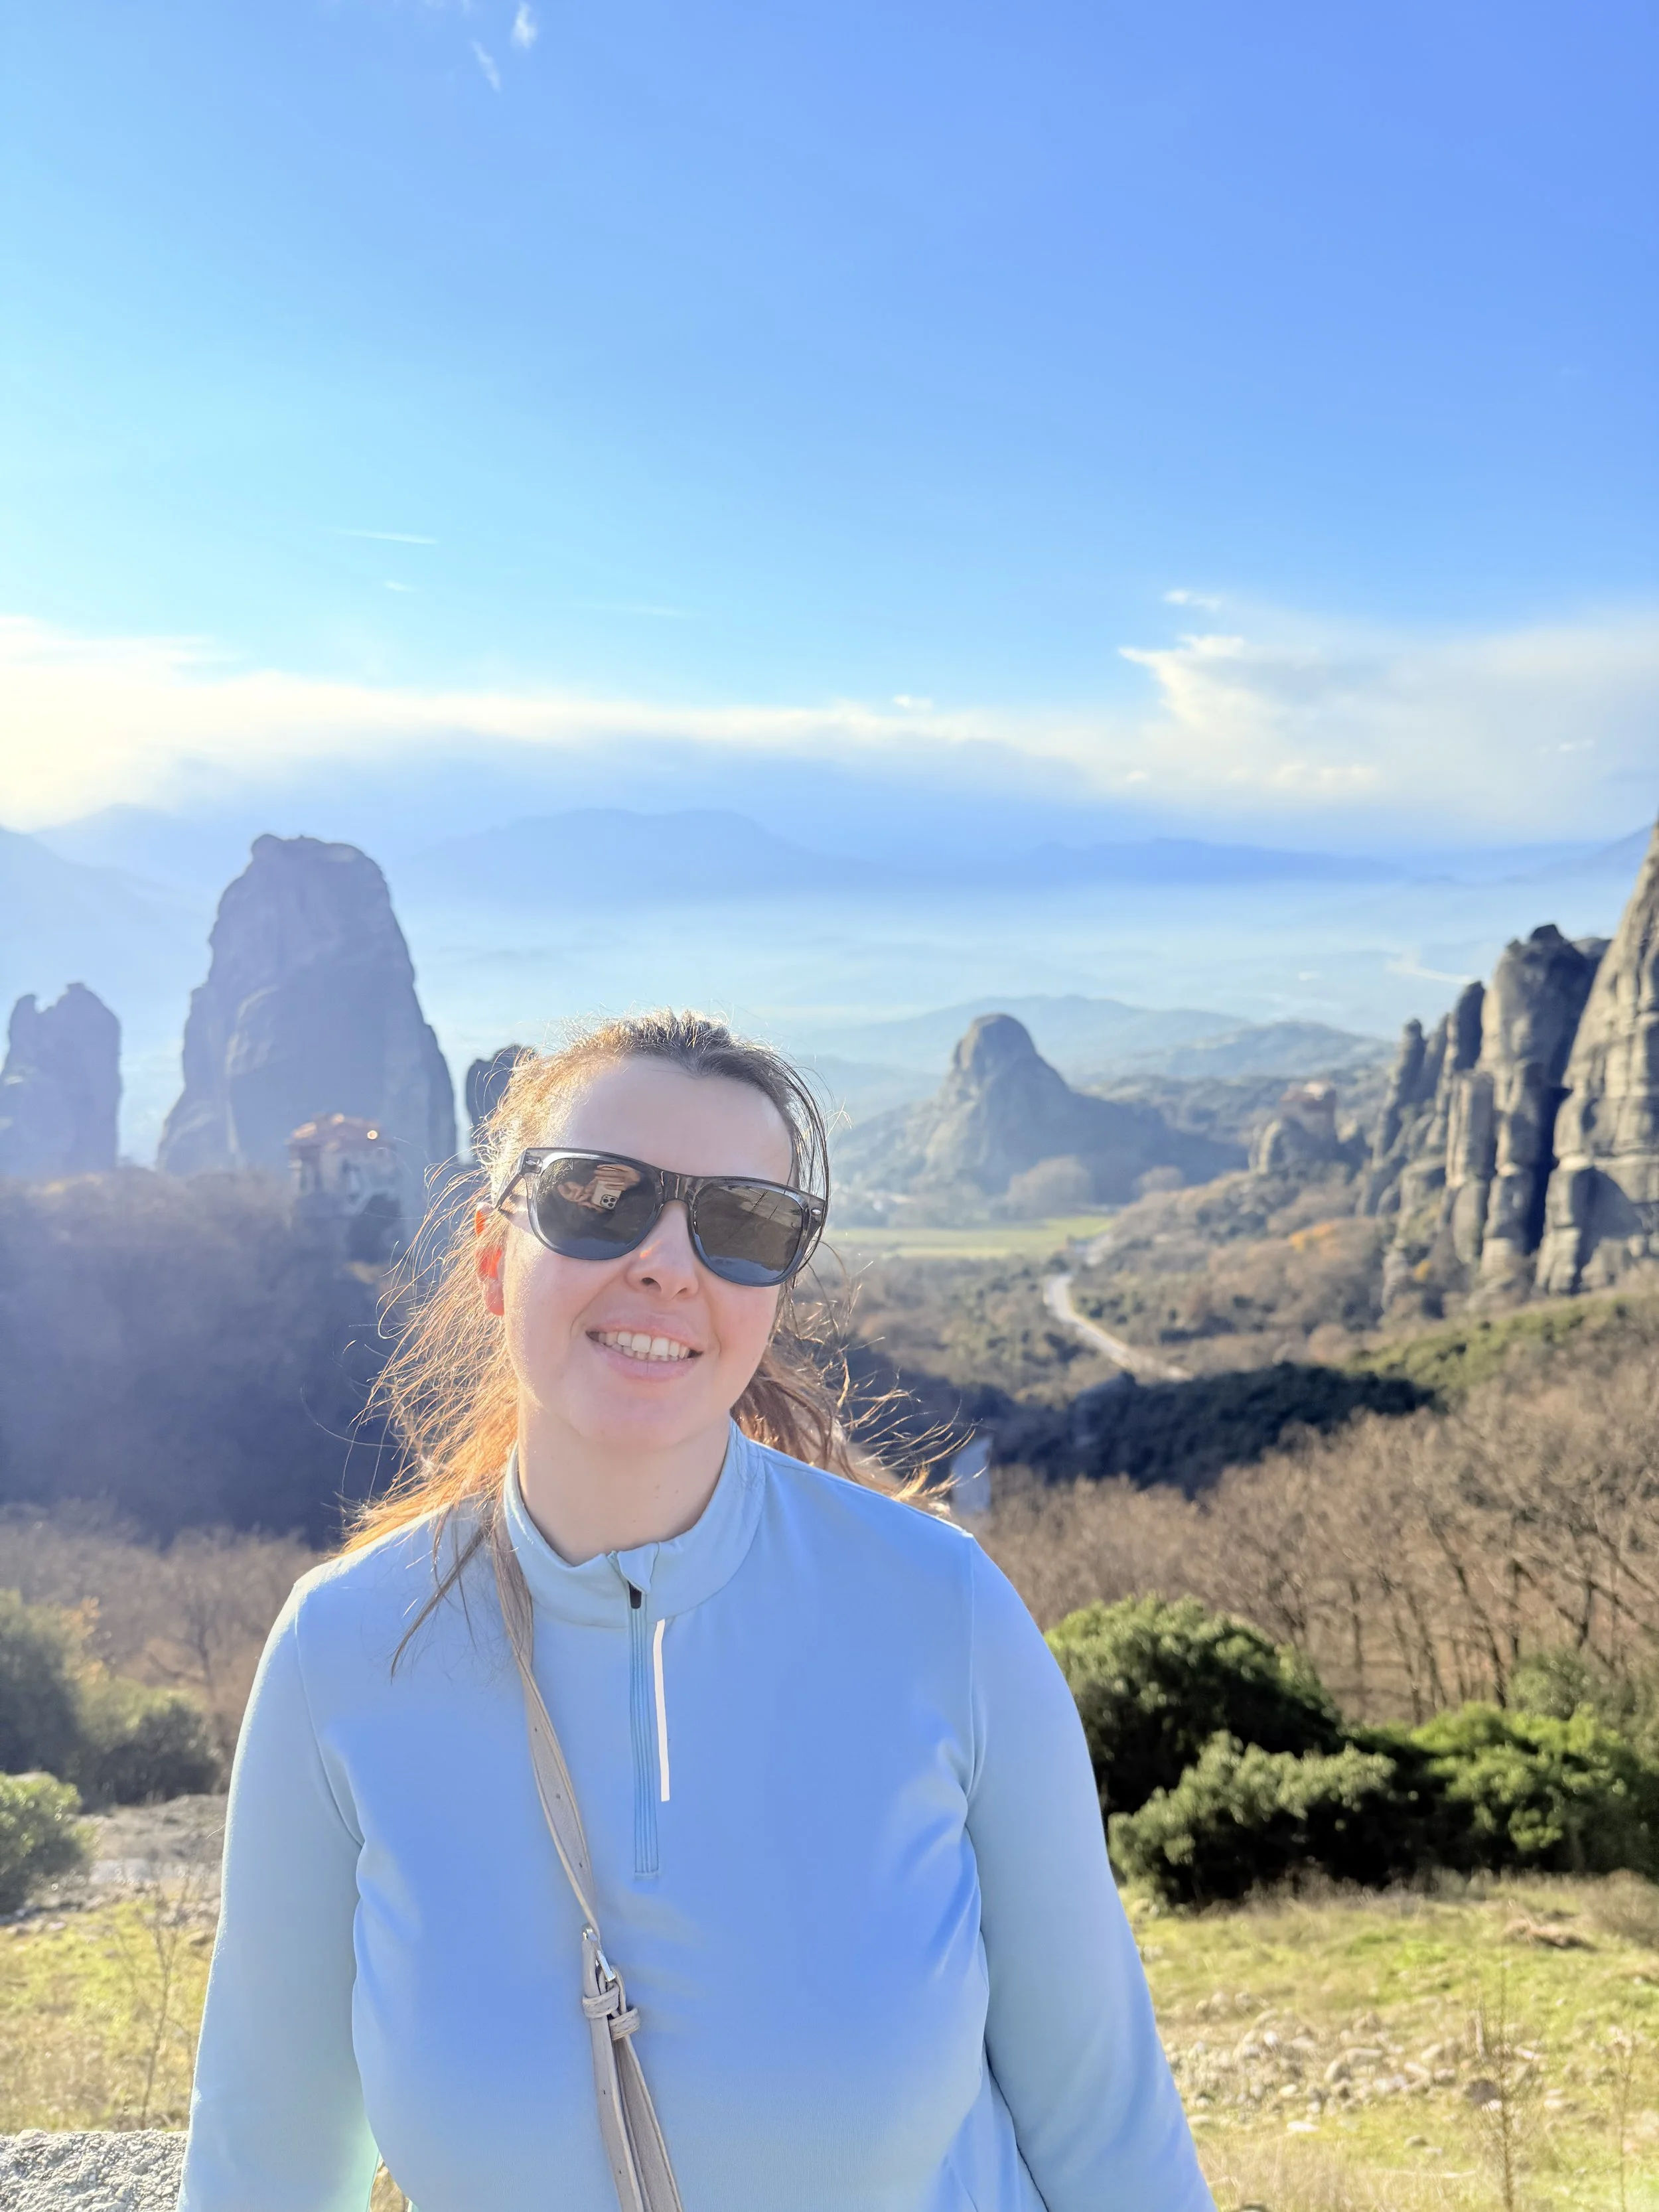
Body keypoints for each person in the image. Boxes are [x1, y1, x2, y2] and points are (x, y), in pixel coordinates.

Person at [178, 1011, 1214, 2212]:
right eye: (598, 1197)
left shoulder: (942, 1614)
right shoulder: (346, 1652)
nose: (668, 1263)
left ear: (776, 1287)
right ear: (486, 1255)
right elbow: (264, 2161)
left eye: (740, 1224)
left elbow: (1111, 2134)